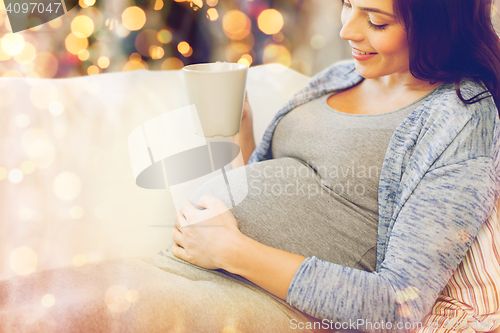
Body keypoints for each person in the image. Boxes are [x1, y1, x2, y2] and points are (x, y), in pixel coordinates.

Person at [170, 0, 500, 331]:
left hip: (256, 302)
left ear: (437, 25)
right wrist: (241, 128)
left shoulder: (461, 119)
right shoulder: (341, 75)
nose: (346, 31)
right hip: (191, 268)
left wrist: (231, 252)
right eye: (347, 4)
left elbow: (398, 304)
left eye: (375, 21)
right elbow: (277, 187)